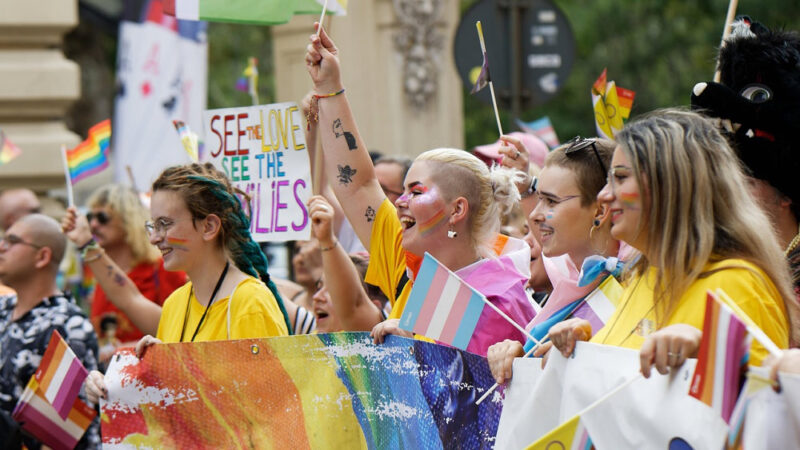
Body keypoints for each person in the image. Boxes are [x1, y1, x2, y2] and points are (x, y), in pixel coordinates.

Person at [305, 25, 536, 356]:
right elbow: (358, 185)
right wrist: (329, 87)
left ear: (457, 210)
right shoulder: (408, 261)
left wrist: (415, 342)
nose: (399, 202)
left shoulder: (500, 302)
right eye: (403, 191)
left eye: (415, 192)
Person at [544, 109, 798, 376]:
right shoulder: (642, 275)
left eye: (620, 178)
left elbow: (759, 396)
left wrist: (704, 351)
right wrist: (586, 347)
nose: (604, 195)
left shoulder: (737, 285)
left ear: (671, 186)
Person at [65, 163, 293, 403]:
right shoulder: (176, 303)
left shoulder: (250, 303)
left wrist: (174, 369)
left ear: (209, 227)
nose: (154, 238)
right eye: (153, 226)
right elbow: (175, 407)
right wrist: (112, 383)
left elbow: (270, 408)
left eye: (165, 224)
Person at [487, 138, 621, 385]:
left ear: (600, 210)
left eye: (551, 201)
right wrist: (520, 359)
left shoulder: (633, 283)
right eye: (538, 198)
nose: (535, 214)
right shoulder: (572, 278)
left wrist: (582, 355)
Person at [0, 214, 99, 448]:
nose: (2, 247)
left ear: (42, 256)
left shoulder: (68, 325)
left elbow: (62, 435)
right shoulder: (4, 308)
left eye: (12, 241)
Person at [81, 185, 186, 361]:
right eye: (90, 217)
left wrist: (128, 349)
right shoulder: (101, 276)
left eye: (102, 218)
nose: (93, 225)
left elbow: (182, 334)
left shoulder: (162, 269)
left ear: (128, 220)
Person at [308, 195, 385, 331]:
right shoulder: (309, 330)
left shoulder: (372, 337)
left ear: (375, 307)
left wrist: (327, 240)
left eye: (333, 291)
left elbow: (354, 307)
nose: (317, 297)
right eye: (319, 287)